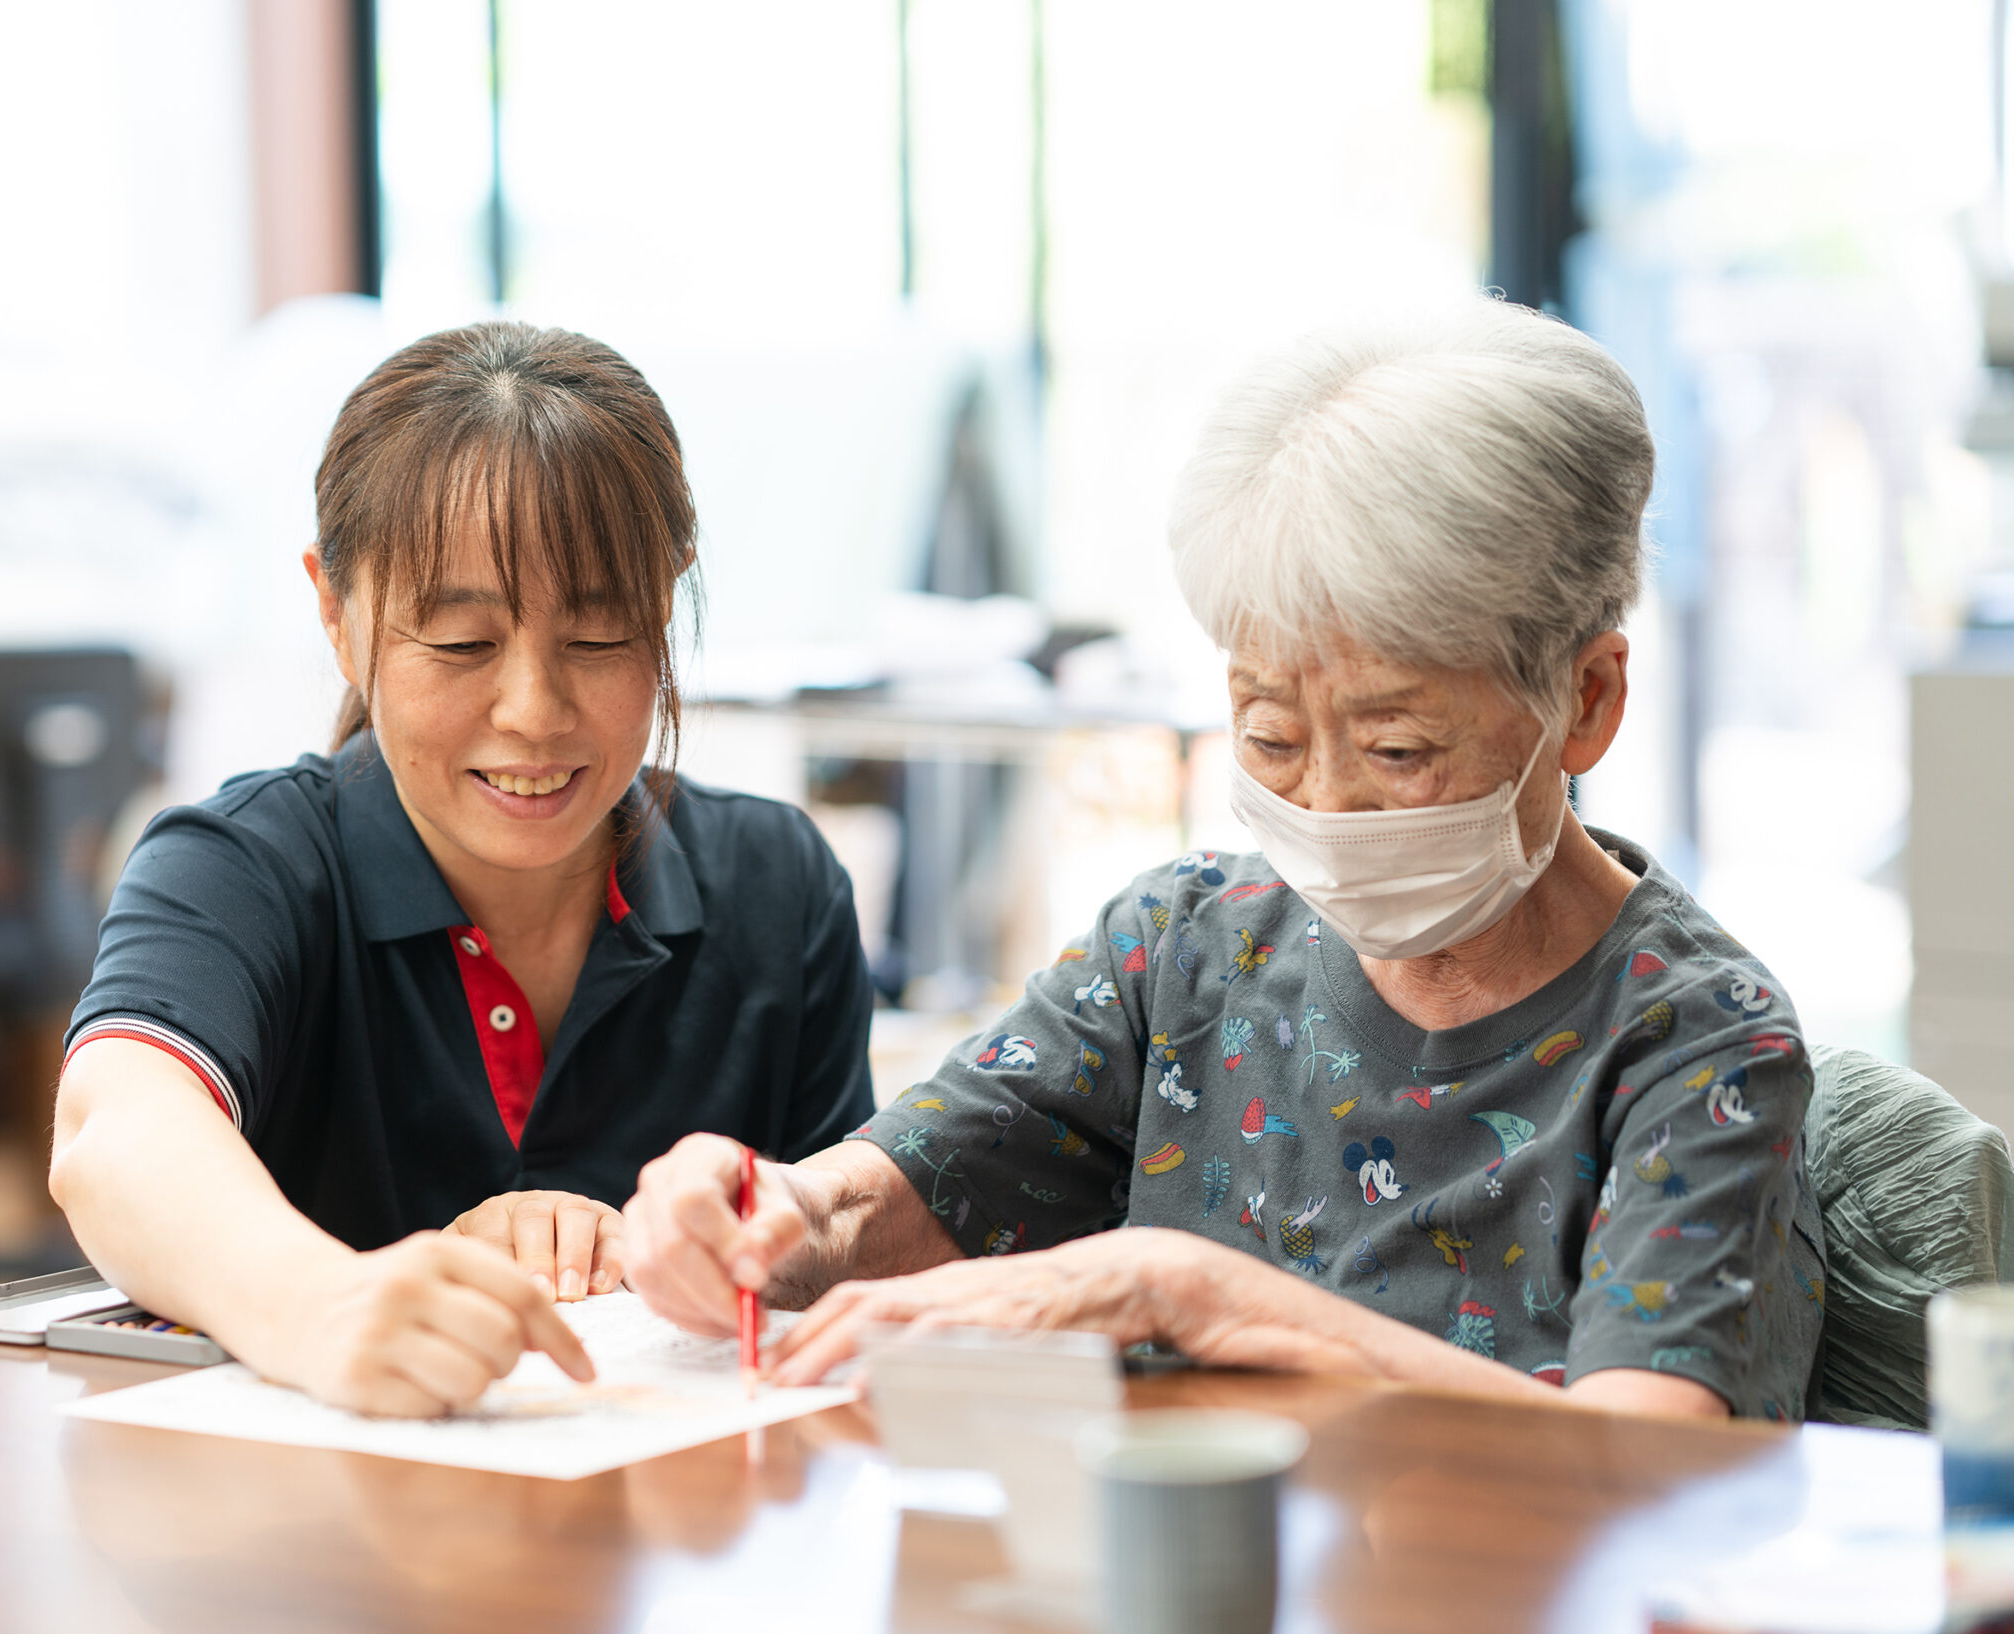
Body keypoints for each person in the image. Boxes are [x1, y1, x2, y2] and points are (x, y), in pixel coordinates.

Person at [622, 300, 1826, 1422]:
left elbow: (1646, 1461)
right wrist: (758, 1211)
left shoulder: (1698, 1044)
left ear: (1587, 698)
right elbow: (885, 1199)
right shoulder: (1185, 950)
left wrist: (1190, 1294)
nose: (1327, 804)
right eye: (1271, 737)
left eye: (1398, 745)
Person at [51, 323, 876, 1417]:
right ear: (338, 618)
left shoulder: (779, 886)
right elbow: (114, 1135)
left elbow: (840, 1253)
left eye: (596, 636)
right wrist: (323, 1304)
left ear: (664, 609)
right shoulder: (243, 864)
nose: (532, 711)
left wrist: (668, 1253)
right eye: (461, 645)